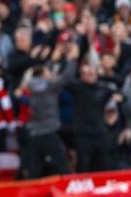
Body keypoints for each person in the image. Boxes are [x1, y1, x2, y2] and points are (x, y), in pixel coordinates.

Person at [25, 44, 78, 178]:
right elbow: (67, 77)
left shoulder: (34, 85)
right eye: (48, 72)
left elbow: (44, 72)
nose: (50, 73)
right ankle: (71, 193)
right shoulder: (48, 86)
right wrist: (73, 59)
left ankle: (28, 193)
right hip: (48, 132)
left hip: (34, 133)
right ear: (43, 75)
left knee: (35, 168)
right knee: (64, 165)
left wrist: (52, 61)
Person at [65, 63, 119, 172]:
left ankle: (102, 187)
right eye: (88, 73)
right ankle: (83, 188)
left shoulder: (103, 88)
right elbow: (66, 80)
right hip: (83, 134)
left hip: (100, 133)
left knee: (103, 164)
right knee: (83, 165)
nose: (91, 75)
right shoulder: (77, 87)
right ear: (82, 76)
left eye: (93, 73)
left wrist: (118, 97)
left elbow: (120, 89)